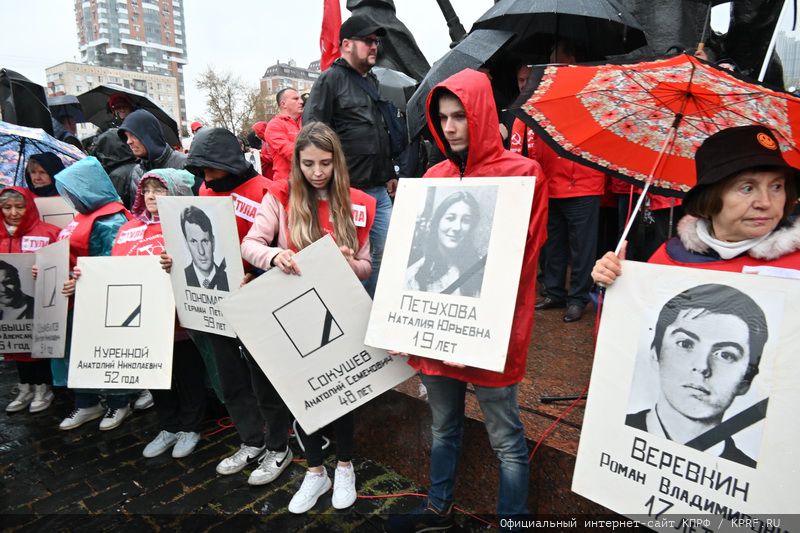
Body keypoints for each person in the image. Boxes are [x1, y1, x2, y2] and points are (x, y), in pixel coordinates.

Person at [386, 69, 548, 531]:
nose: (452, 126)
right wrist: (403, 320)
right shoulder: (433, 176)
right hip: (438, 329)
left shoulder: (524, 173)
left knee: (505, 435)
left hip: (492, 334)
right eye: (443, 117)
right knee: (443, 426)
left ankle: (513, 521)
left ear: (481, 113)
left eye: (460, 115)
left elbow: (528, 253)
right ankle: (439, 509)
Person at [241, 121, 375, 513]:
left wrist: (352, 265)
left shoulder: (357, 203)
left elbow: (368, 266)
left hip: (339, 309)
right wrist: (274, 256)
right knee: (304, 395)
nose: (317, 172)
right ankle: (316, 471)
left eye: (325, 163)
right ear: (297, 163)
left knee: (343, 395)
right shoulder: (279, 197)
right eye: (309, 163)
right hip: (295, 312)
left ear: (337, 162)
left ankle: (345, 466)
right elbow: (250, 244)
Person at [161, 126, 291, 481]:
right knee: (231, 378)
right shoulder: (202, 190)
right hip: (215, 304)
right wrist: (174, 260)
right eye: (200, 170)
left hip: (256, 302)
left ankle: (279, 446)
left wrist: (258, 276)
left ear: (228, 162)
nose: (206, 176)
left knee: (264, 381)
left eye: (210, 168)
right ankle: (251, 440)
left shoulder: (266, 192)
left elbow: (279, 249)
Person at [108, 168, 209, 459]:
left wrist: (176, 264)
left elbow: (202, 263)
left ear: (174, 193)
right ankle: (168, 426)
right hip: (144, 319)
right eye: (147, 190)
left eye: (159, 190)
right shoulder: (129, 228)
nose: (151, 196)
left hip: (181, 319)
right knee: (156, 376)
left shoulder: (184, 227)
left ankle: (191, 427)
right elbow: (115, 268)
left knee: (187, 373)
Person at [303, 15, 397, 298]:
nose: (374, 46)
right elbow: (311, 135)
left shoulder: (371, 81)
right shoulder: (330, 80)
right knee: (355, 263)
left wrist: (388, 173)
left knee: (387, 256)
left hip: (379, 192)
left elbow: (377, 133)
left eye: (376, 41)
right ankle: (359, 322)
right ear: (346, 45)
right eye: (367, 40)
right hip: (348, 193)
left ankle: (375, 317)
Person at [626, 284, 766, 467]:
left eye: (726, 355)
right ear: (655, 355)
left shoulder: (752, 480)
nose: (702, 367)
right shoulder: (608, 434)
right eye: (685, 344)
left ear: (745, 381)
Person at [53, 156, 136, 431]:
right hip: (75, 298)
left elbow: (114, 263)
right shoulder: (87, 216)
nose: (70, 198)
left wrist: (80, 281)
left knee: (106, 350)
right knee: (79, 352)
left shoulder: (112, 219)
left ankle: (118, 401)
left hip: (99, 299)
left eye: (73, 192)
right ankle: (88, 401)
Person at [534, 40, 607, 323]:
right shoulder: (546, 90)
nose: (552, 64)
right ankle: (554, 292)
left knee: (582, 248)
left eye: (557, 58)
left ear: (572, 58)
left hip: (582, 183)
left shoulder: (590, 91)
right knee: (553, 245)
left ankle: (578, 298)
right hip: (551, 182)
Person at [1, 188, 60, 414]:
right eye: (7, 207)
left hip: (39, 301)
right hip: (6, 308)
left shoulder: (47, 233)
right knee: (13, 344)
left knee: (37, 344)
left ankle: (43, 387)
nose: (13, 212)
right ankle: (25, 386)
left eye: (19, 206)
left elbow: (61, 262)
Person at [405, 191, 484, 296]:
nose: (457, 227)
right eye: (450, 218)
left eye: (465, 220)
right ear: (437, 222)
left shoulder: (479, 273)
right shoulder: (413, 275)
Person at [118, 109, 190, 202]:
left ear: (149, 134)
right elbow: (137, 211)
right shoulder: (137, 172)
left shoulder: (184, 164)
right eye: (127, 136)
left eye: (133, 135)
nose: (129, 141)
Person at [179, 206, 228, 291]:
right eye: (193, 242)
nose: (201, 251)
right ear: (186, 243)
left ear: (213, 242)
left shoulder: (229, 279)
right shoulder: (180, 278)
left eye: (205, 241)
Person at [265, 88, 303, 180]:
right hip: (287, 184)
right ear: (283, 104)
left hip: (309, 182)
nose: (301, 101)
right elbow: (289, 151)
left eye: (300, 98)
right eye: (295, 99)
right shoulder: (275, 125)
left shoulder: (306, 121)